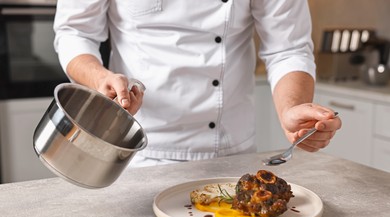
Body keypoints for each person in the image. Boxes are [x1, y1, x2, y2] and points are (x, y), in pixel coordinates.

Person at [53, 0, 342, 167]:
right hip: (137, 146)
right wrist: (100, 77)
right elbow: (74, 32)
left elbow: (287, 48)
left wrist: (292, 109)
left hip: (228, 152)